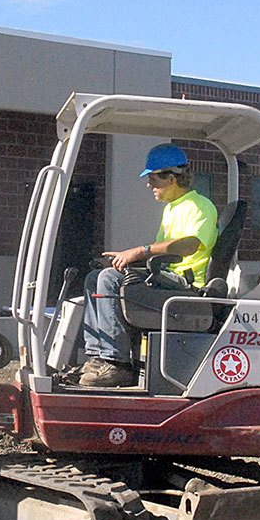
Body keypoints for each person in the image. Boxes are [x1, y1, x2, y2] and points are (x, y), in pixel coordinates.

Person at [78, 144, 218, 388]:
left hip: (187, 286)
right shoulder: (173, 209)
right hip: (166, 278)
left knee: (110, 279)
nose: (148, 185)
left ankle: (117, 364)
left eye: (153, 179)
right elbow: (160, 252)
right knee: (95, 277)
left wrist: (138, 251)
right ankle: (98, 355)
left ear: (171, 179)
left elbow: (189, 245)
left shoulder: (199, 207)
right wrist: (126, 258)